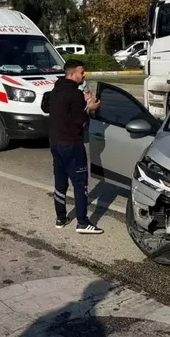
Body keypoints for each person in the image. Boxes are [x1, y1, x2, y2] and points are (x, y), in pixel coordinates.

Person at [48, 59, 103, 234]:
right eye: (81, 72)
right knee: (80, 184)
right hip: (72, 144)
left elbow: (57, 109)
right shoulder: (75, 94)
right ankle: (82, 222)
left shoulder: (55, 90)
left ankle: (60, 218)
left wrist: (82, 103)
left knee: (60, 181)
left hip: (55, 143)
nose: (83, 75)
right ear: (72, 74)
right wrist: (89, 107)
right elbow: (80, 120)